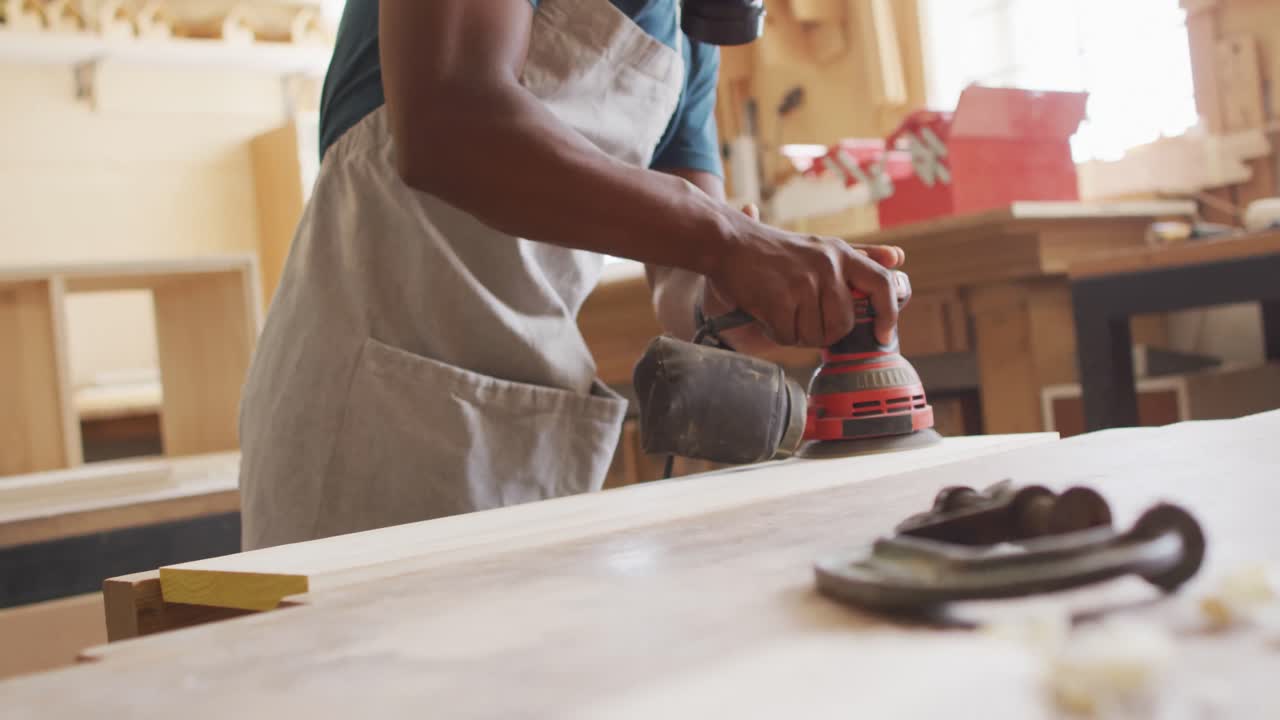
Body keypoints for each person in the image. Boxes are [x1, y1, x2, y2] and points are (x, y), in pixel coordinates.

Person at [237, 0, 906, 550]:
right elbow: (449, 121)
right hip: (367, 411)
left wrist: (730, 300)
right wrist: (732, 242)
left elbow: (681, 272)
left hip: (520, 424)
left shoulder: (689, 31)